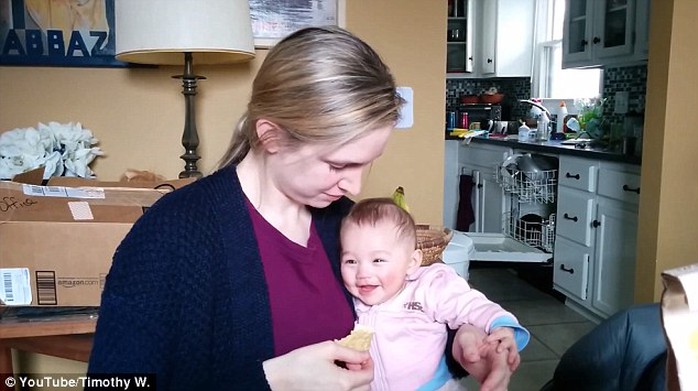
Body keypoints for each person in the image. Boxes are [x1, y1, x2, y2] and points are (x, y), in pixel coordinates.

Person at [87, 26, 514, 391]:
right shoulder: (172, 237)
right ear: (271, 136)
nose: (356, 185)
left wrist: (459, 342)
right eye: (337, 164)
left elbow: (397, 313)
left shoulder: (342, 222)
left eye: (369, 161)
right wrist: (273, 380)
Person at [339, 198, 530, 390]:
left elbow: (469, 304)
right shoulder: (354, 302)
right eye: (351, 261)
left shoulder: (429, 287)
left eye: (378, 260)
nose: (362, 273)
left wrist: (501, 326)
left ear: (411, 262)